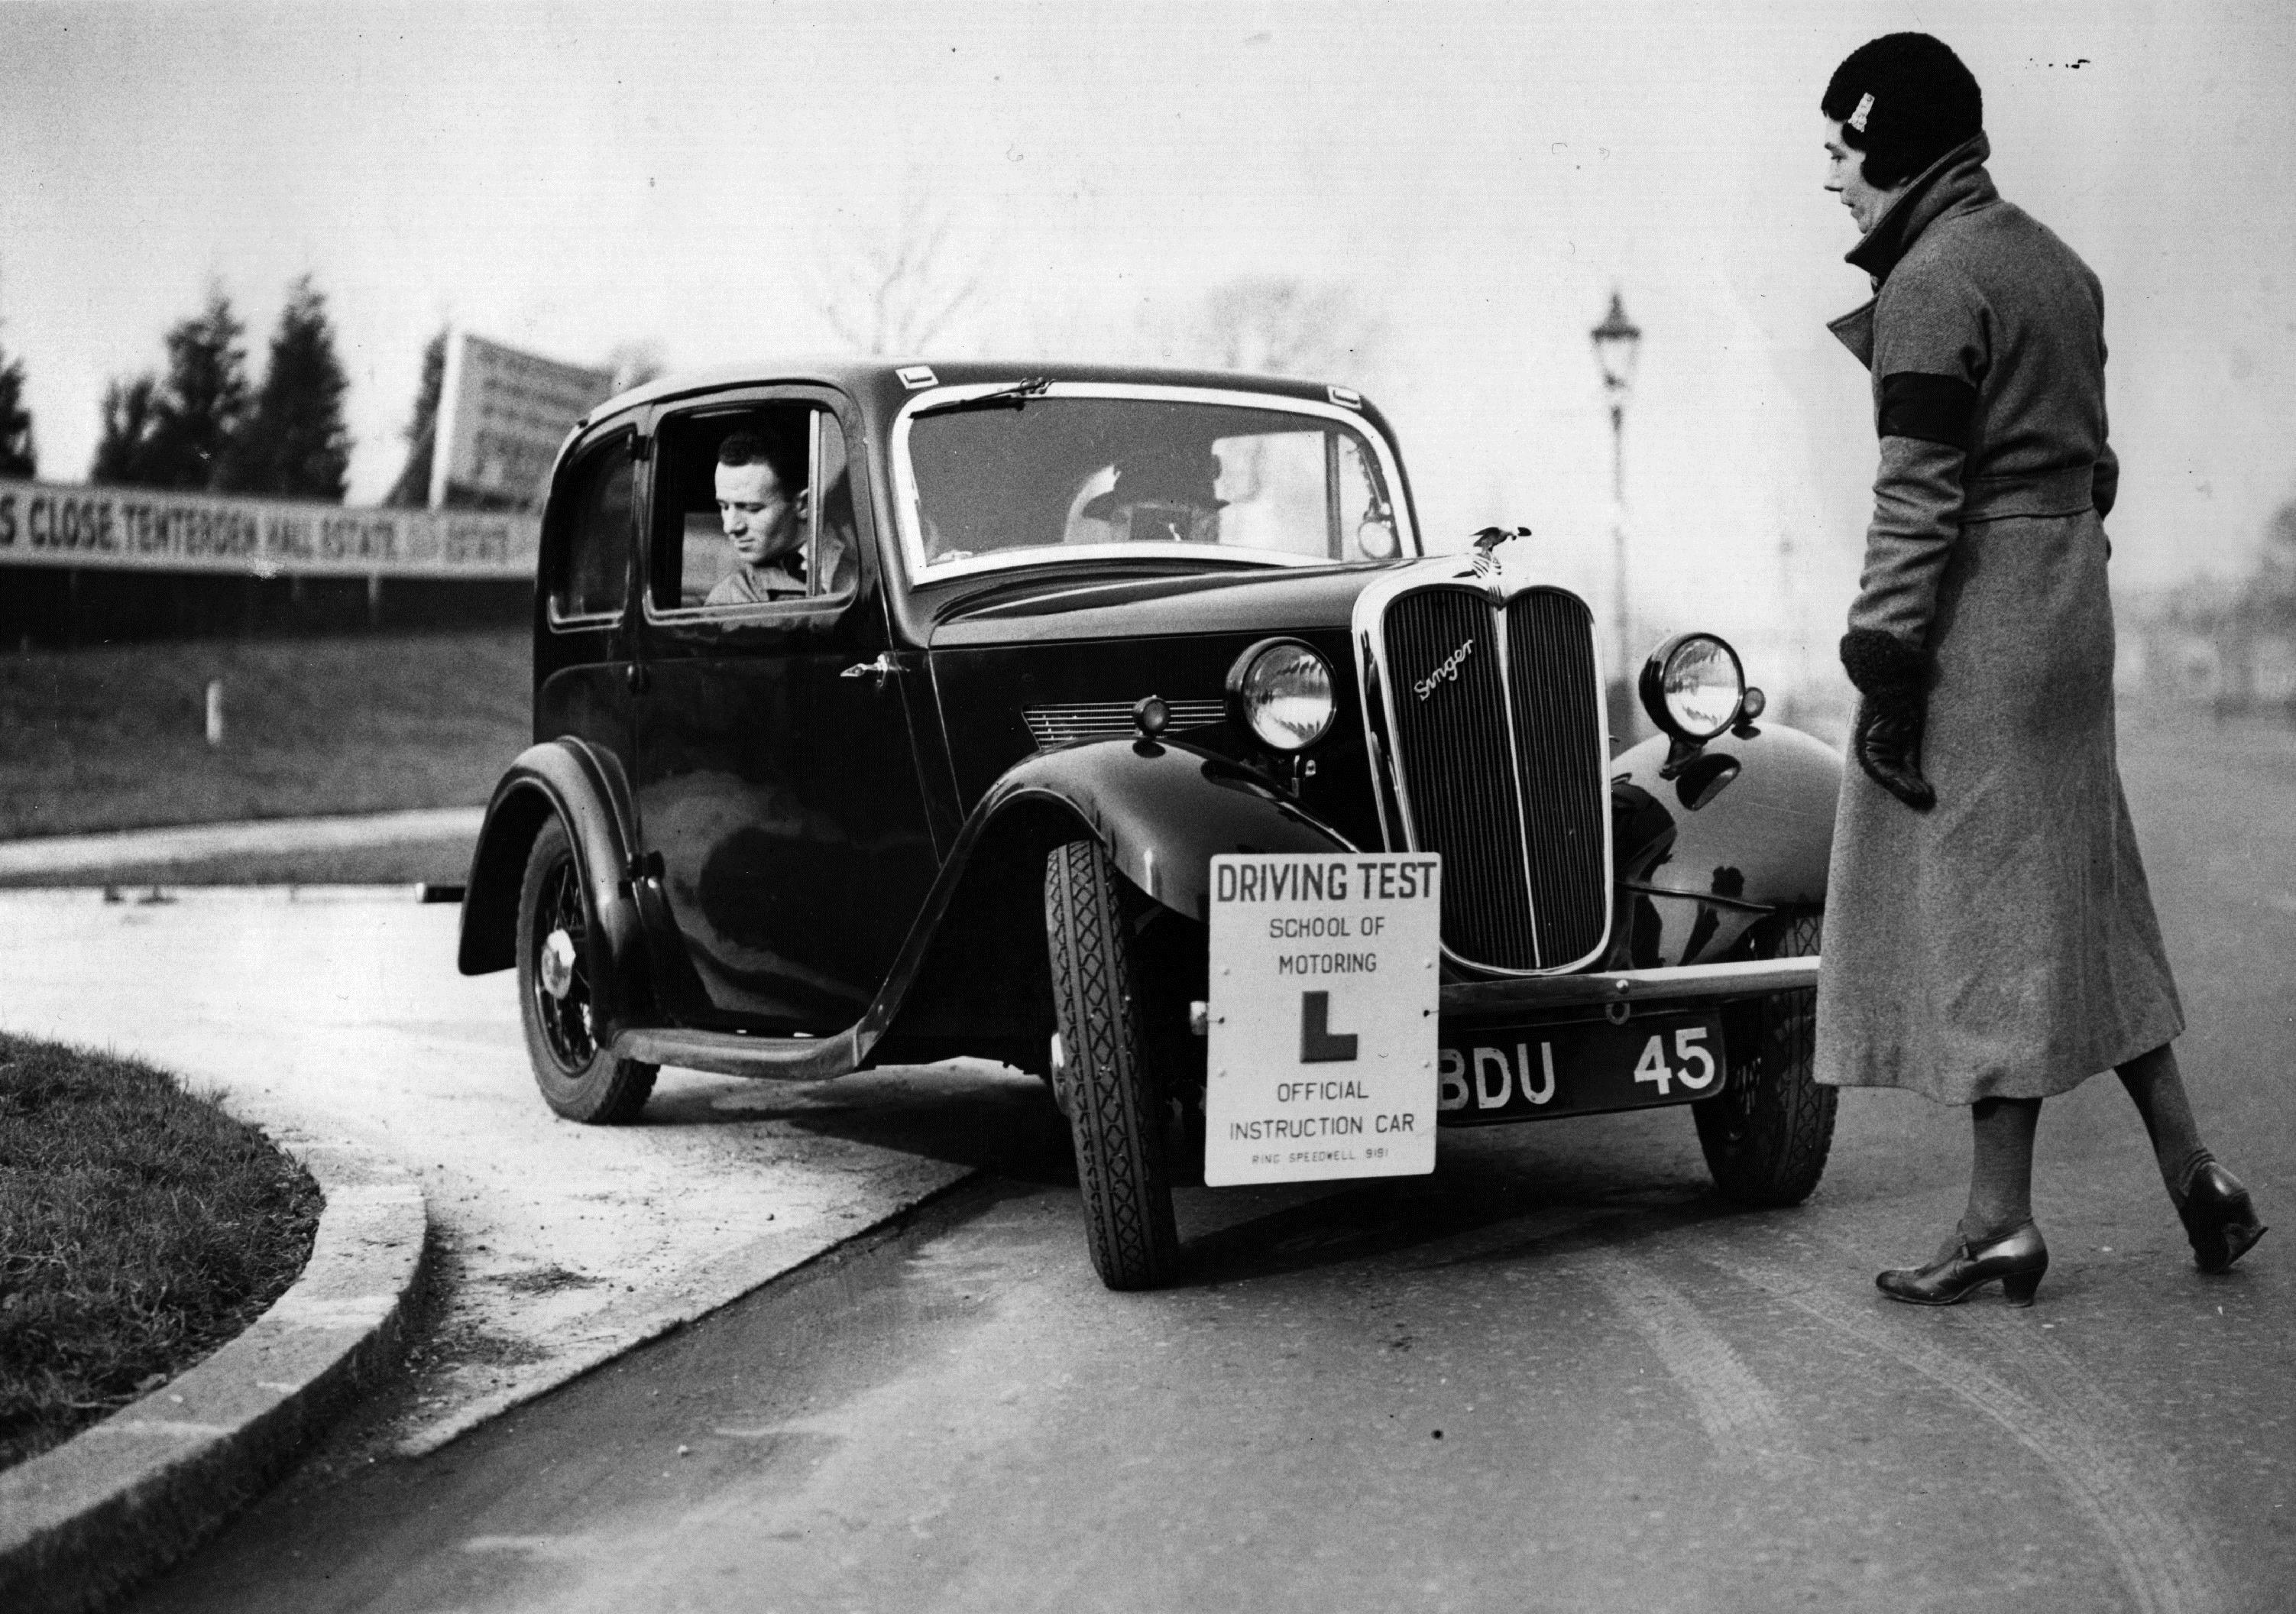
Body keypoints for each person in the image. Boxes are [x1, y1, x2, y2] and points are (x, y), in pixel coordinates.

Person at [1810, 33, 2264, 1305]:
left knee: (1989, 919)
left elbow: (1916, 500)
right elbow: (2097, 468)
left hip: (1981, 627)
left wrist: (1888, 659)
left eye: (1843, 151)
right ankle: (2197, 1172)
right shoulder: (2057, 267)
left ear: (1896, 147)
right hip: (2071, 607)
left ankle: (1996, 1220)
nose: (1832, 178)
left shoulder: (1932, 281)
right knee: (2089, 900)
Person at [707, 429, 854, 605]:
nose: (729, 527)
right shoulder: (730, 598)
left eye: (752, 509)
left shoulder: (858, 558)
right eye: (723, 507)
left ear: (804, 505)